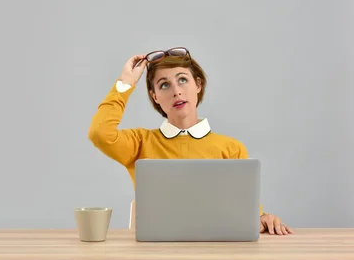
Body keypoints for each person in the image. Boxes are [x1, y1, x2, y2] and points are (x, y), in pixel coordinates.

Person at [88, 47, 292, 235]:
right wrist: (125, 84)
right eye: (164, 85)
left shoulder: (231, 148)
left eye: (183, 80)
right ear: (155, 96)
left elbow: (247, 212)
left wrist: (262, 217)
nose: (176, 91)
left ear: (198, 85)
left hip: (215, 250)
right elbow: (99, 133)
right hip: (155, 252)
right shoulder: (140, 142)